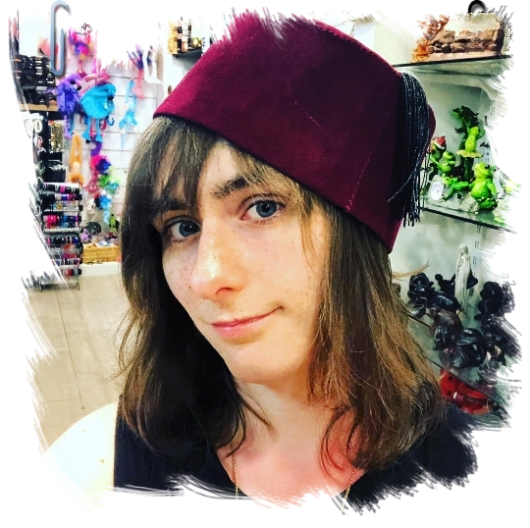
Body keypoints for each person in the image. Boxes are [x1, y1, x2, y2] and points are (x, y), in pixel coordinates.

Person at [41, 8, 501, 517]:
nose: (207, 276)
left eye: (262, 208)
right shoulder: (100, 470)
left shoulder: (458, 463)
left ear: (355, 238)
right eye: (182, 227)